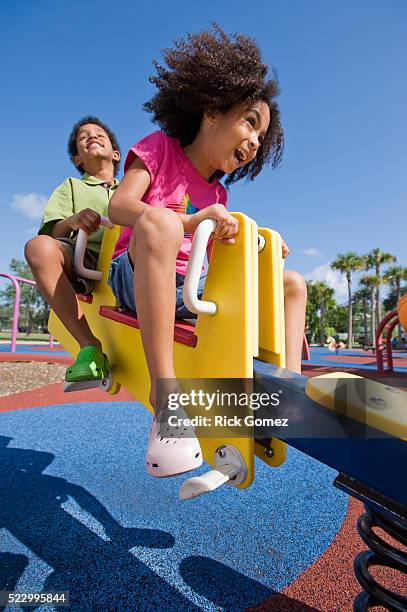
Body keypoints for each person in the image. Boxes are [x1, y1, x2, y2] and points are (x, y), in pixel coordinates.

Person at [107, 24, 307, 478]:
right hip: (136, 273)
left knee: (292, 283)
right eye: (250, 123)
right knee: (158, 221)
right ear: (213, 110)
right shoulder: (159, 148)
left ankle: (288, 399)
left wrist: (258, 258)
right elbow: (120, 206)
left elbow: (213, 265)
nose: (255, 142)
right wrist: (190, 221)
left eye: (262, 137)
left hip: (190, 286)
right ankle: (166, 397)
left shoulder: (219, 197)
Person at [25, 116, 121, 386]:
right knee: (37, 247)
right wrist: (73, 221)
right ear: (78, 159)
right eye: (83, 137)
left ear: (116, 153)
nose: (91, 136)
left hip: (130, 257)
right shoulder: (71, 186)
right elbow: (53, 232)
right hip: (86, 260)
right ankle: (89, 345)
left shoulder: (133, 186)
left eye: (99, 133)